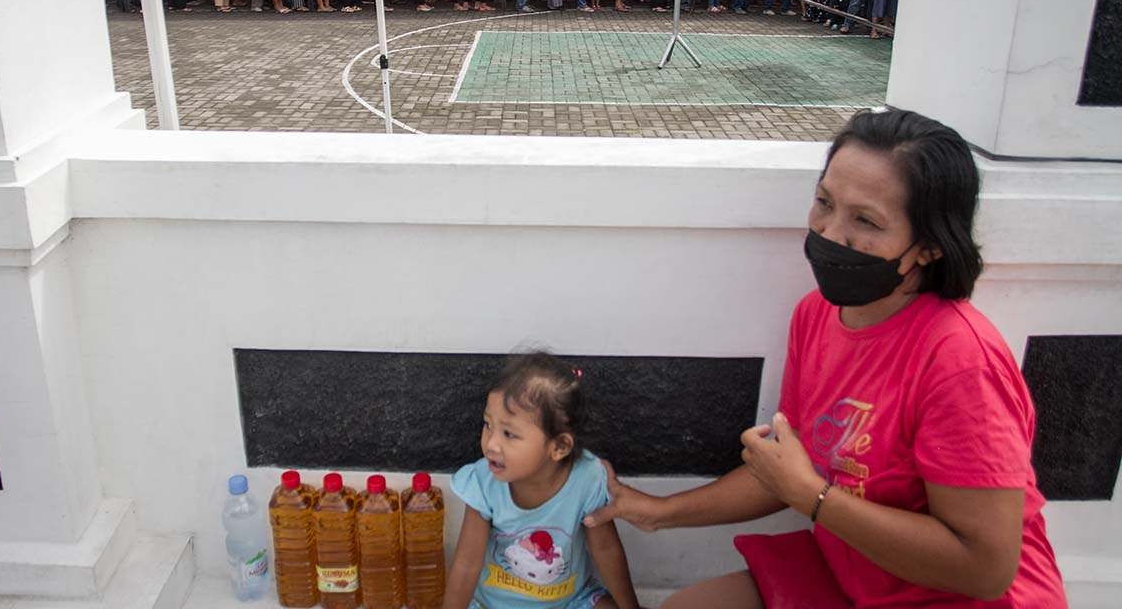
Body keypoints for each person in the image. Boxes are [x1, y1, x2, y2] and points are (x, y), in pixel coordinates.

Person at [584, 109, 1070, 609]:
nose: (830, 234)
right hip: (856, 573)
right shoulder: (816, 315)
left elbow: (985, 570)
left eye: (866, 220)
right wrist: (658, 512)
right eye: (824, 203)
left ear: (928, 247)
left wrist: (812, 498)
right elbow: (790, 467)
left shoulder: (960, 362)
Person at [445, 352, 641, 609]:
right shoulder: (484, 483)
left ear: (559, 447)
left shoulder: (587, 479)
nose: (491, 444)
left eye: (509, 434)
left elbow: (606, 551)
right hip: (492, 605)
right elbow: (466, 564)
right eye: (487, 425)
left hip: (571, 601)